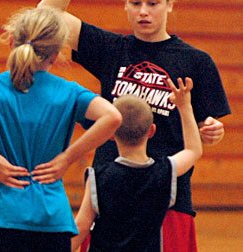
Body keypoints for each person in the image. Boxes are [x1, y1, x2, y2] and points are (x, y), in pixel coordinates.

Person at [38, 0, 231, 251]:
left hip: (167, 196)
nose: (144, 11)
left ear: (170, 4)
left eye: (153, 3)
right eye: (136, 3)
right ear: (125, 4)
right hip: (111, 189)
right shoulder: (112, 49)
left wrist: (213, 130)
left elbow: (207, 128)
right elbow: (45, 15)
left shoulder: (197, 62)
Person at [0, 7, 122, 252]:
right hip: (52, 218)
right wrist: (66, 158)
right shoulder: (68, 92)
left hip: (3, 216)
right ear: (55, 54)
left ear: (11, 42)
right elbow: (113, 116)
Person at [72, 77, 203, 251]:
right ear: (152, 131)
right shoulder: (165, 172)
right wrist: (184, 106)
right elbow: (193, 150)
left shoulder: (98, 177)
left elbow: (80, 227)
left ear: (110, 133)